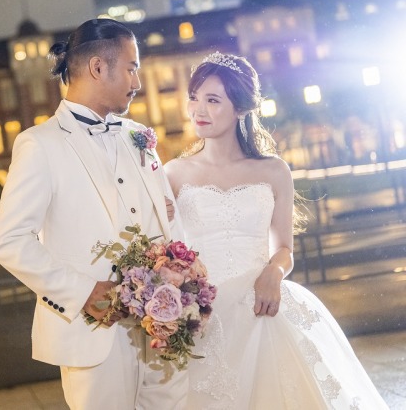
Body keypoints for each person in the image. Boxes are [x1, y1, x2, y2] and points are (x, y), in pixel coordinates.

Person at [164, 52, 387, 408]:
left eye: (212, 100)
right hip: (203, 311)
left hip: (261, 303)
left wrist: (274, 272)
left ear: (240, 108)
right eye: (194, 97)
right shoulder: (173, 173)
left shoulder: (273, 171)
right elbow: (167, 248)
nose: (198, 110)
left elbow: (284, 248)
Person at [0, 18, 187, 409]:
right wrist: (83, 293)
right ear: (98, 68)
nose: (137, 81)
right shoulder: (39, 145)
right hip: (94, 332)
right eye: (131, 68)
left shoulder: (139, 136)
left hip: (162, 329)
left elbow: (168, 218)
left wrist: (181, 275)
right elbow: (9, 241)